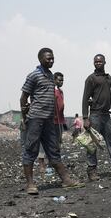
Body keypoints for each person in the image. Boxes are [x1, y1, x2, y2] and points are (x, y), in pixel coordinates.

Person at [20, 48, 83, 195]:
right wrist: (25, 117)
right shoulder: (34, 75)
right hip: (35, 119)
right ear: (40, 59)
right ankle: (30, 184)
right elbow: (24, 97)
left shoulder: (50, 76)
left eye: (53, 58)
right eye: (48, 59)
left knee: (53, 150)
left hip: (49, 120)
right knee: (31, 150)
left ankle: (66, 180)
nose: (51, 61)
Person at [82, 54, 111, 181]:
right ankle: (92, 170)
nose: (98, 63)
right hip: (95, 115)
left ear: (105, 62)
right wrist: (85, 117)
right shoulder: (90, 79)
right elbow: (85, 98)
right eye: (96, 62)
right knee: (92, 144)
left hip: (106, 116)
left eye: (100, 61)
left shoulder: (108, 78)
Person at [37, 72, 66, 177]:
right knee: (46, 144)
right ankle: (41, 164)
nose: (61, 82)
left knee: (57, 144)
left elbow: (61, 107)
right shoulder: (51, 91)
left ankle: (51, 164)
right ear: (54, 80)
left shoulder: (60, 91)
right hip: (51, 121)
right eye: (59, 80)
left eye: (62, 80)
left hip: (59, 121)